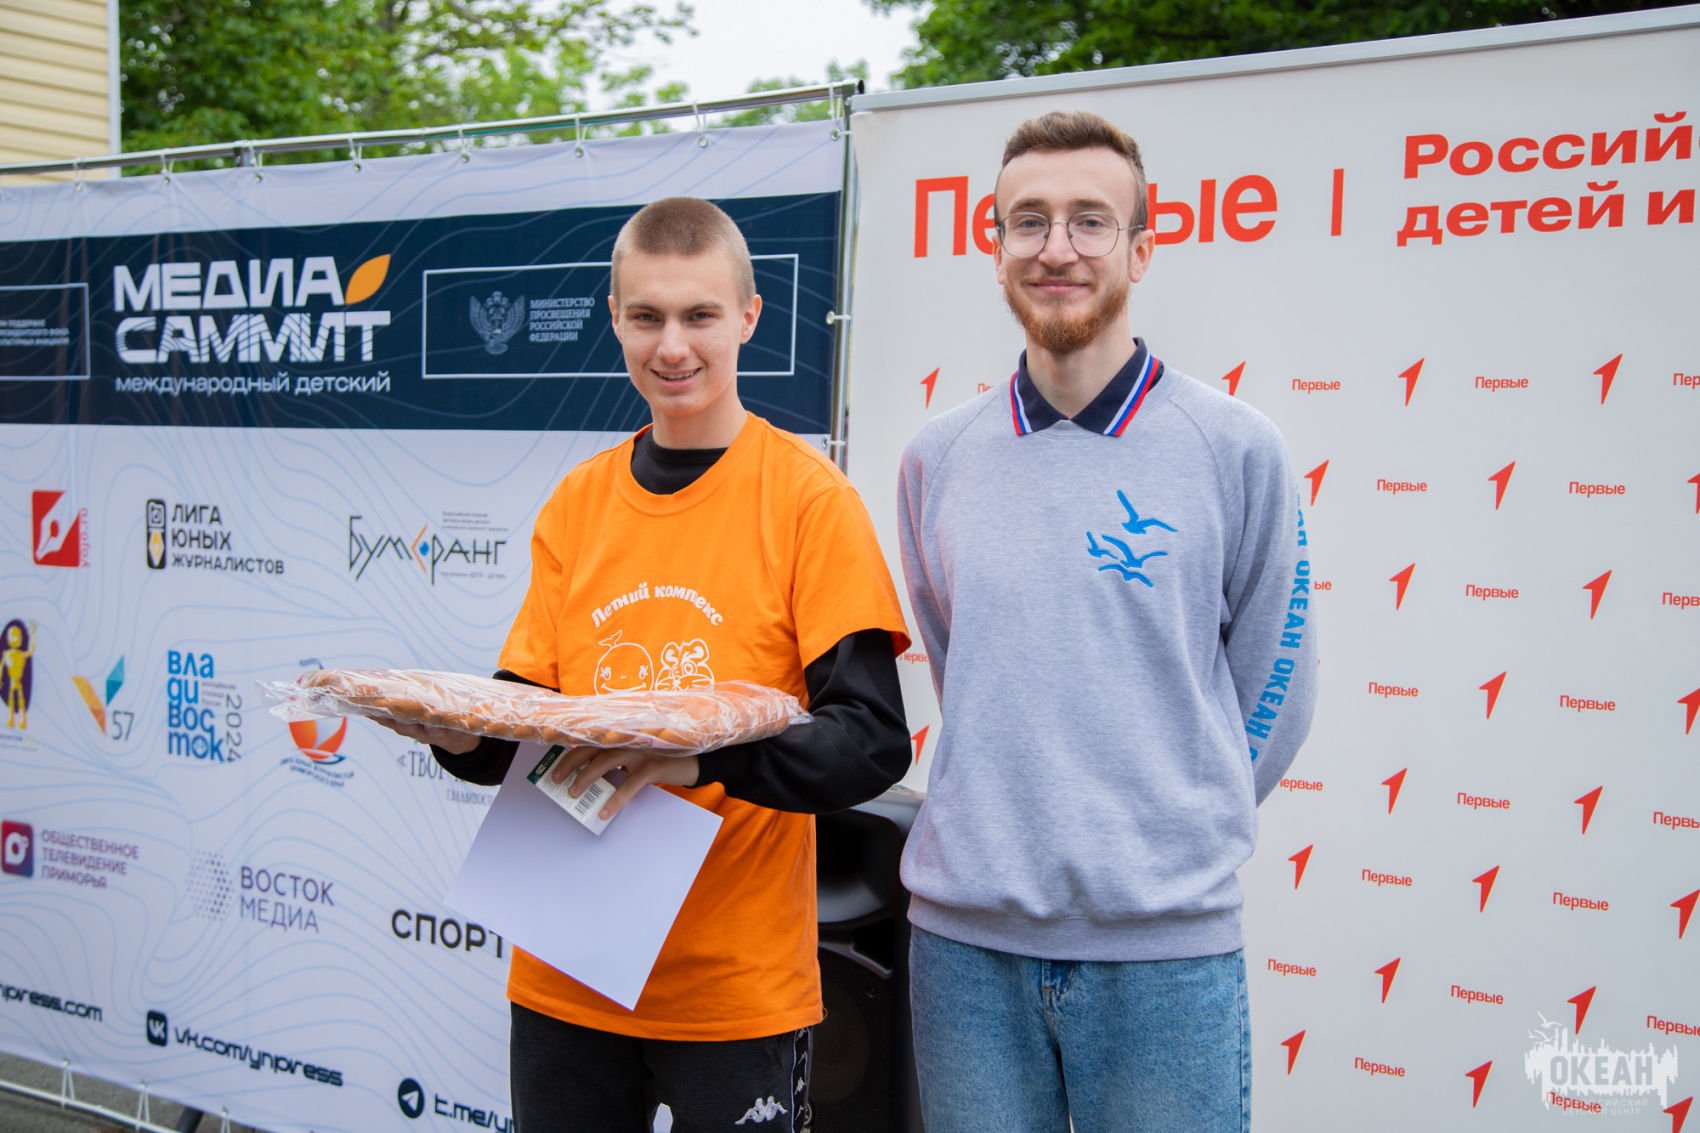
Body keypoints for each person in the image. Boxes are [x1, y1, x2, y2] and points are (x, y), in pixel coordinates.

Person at [386, 196, 911, 1132]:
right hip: (565, 966)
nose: (672, 346)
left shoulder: (810, 502)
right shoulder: (579, 500)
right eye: (647, 316)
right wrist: (457, 734)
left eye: (699, 314)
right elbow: (528, 720)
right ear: (615, 319)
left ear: (748, 316)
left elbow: (870, 739)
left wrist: (700, 759)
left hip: (733, 989)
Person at [895, 110, 1318, 1133]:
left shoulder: (1234, 448)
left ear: (1141, 246)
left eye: (1090, 220)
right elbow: (964, 666)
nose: (1057, 248)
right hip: (964, 956)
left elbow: (1276, 682)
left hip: (1164, 958)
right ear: (995, 246)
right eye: (1028, 221)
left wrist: (1173, 829)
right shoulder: (935, 458)